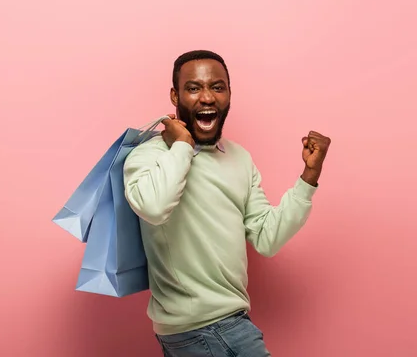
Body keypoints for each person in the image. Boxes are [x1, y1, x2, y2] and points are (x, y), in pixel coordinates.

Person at [123, 50, 331, 356]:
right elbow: (154, 207)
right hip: (208, 329)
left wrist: (309, 176)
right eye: (193, 88)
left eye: (217, 87)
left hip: (222, 325)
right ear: (174, 95)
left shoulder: (239, 158)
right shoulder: (149, 156)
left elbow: (266, 238)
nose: (207, 97)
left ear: (229, 94)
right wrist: (182, 144)